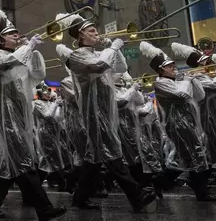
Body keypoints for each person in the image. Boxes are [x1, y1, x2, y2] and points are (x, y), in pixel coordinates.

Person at [58, 12, 156, 212]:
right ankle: (136, 196)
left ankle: (79, 197)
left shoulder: (97, 52)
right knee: (112, 154)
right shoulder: (77, 56)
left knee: (93, 159)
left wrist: (115, 48)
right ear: (80, 35)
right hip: (93, 113)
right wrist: (112, 47)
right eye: (92, 31)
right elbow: (99, 66)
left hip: (105, 110)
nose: (97, 33)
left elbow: (120, 67)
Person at [0, 0, 66, 221]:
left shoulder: (19, 56)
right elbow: (7, 64)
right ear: (0, 39)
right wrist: (27, 47)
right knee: (24, 163)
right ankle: (44, 209)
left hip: (22, 117)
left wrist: (34, 51)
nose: (17, 37)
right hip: (6, 119)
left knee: (11, 164)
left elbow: (38, 76)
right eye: (12, 35)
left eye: (17, 34)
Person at [141, 41, 216, 201]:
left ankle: (161, 182)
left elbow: (200, 96)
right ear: (161, 69)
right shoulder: (160, 83)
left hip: (189, 122)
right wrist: (187, 81)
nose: (173, 68)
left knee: (186, 158)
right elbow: (182, 95)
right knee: (197, 154)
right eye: (169, 66)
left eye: (173, 65)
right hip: (177, 124)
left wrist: (195, 79)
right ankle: (201, 192)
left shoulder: (178, 81)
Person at [171, 42, 216, 169]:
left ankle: (208, 169)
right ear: (198, 64)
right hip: (211, 114)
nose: (209, 61)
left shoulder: (209, 73)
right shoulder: (196, 76)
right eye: (204, 60)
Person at [55, 44, 86, 193]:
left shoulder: (83, 79)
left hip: (86, 121)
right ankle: (75, 182)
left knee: (86, 155)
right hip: (75, 123)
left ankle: (74, 182)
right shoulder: (66, 81)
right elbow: (76, 98)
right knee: (84, 154)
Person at [33, 83, 68, 191]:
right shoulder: (36, 103)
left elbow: (58, 118)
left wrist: (60, 107)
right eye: (45, 93)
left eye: (49, 92)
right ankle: (62, 183)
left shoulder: (51, 103)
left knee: (48, 159)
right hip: (45, 134)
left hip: (55, 133)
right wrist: (55, 105)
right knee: (52, 158)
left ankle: (36, 185)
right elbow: (47, 116)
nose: (48, 94)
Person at [113, 73, 145, 184]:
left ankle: (138, 182)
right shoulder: (110, 89)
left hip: (131, 125)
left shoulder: (124, 89)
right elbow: (121, 102)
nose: (121, 76)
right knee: (126, 155)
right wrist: (132, 89)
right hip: (119, 126)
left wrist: (135, 88)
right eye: (118, 74)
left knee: (135, 152)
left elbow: (140, 101)